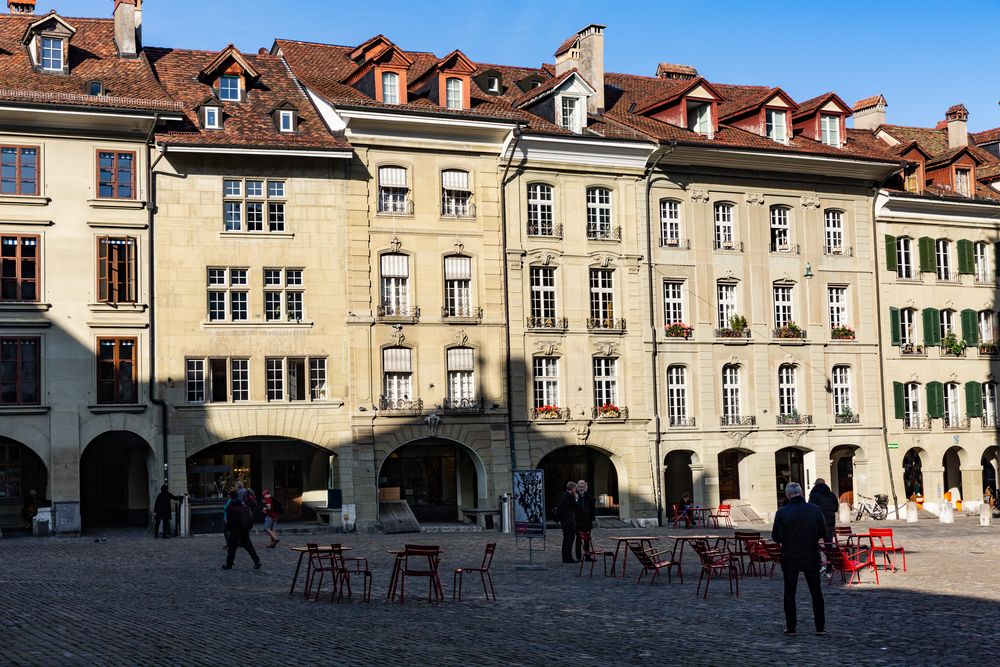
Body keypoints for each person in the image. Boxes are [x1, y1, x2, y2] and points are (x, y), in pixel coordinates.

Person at [772, 482, 827, 636]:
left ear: (787, 495)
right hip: (811, 554)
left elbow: (776, 536)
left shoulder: (782, 513)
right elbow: (823, 531)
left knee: (789, 593)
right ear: (802, 493)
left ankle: (791, 627)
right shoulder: (814, 510)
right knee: (816, 592)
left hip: (790, 556)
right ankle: (820, 626)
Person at [223, 490, 261, 570]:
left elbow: (229, 520)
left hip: (235, 531)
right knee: (249, 547)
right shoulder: (243, 505)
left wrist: (229, 528)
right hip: (244, 530)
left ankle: (229, 564)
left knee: (232, 548)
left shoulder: (230, 506)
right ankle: (257, 561)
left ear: (231, 496)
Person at [808, 478, 839, 546]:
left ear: (816, 485)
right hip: (830, 521)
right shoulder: (831, 494)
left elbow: (810, 508)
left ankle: (817, 555)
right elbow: (836, 508)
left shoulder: (814, 494)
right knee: (828, 543)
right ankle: (830, 555)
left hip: (817, 522)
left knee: (814, 543)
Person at [555, 481, 578, 563]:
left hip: (563, 521)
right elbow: (576, 506)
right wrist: (576, 498)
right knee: (570, 539)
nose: (575, 490)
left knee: (565, 539)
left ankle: (564, 557)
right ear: (572, 488)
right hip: (570, 520)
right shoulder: (570, 496)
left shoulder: (562, 495)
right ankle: (569, 557)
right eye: (575, 488)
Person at [573, 480, 596, 562]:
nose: (581, 488)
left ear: (585, 487)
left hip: (587, 521)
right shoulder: (574, 496)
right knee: (578, 539)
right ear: (577, 487)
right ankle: (578, 557)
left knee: (587, 539)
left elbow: (593, 507)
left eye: (583, 486)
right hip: (578, 521)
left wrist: (592, 519)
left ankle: (587, 556)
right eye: (580, 487)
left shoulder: (589, 497)